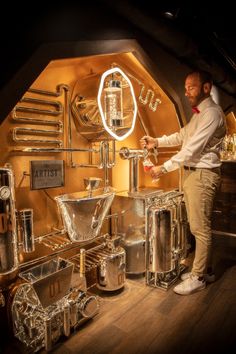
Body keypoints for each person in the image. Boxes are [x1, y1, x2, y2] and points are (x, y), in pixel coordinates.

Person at [140, 70, 226, 295]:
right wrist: (156, 141)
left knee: (200, 228)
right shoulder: (198, 114)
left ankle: (198, 277)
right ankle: (205, 270)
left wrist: (163, 167)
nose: (186, 92)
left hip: (201, 174)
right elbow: (181, 136)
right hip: (192, 174)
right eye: (185, 87)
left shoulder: (212, 113)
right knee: (198, 227)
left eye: (191, 87)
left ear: (206, 88)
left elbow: (191, 149)